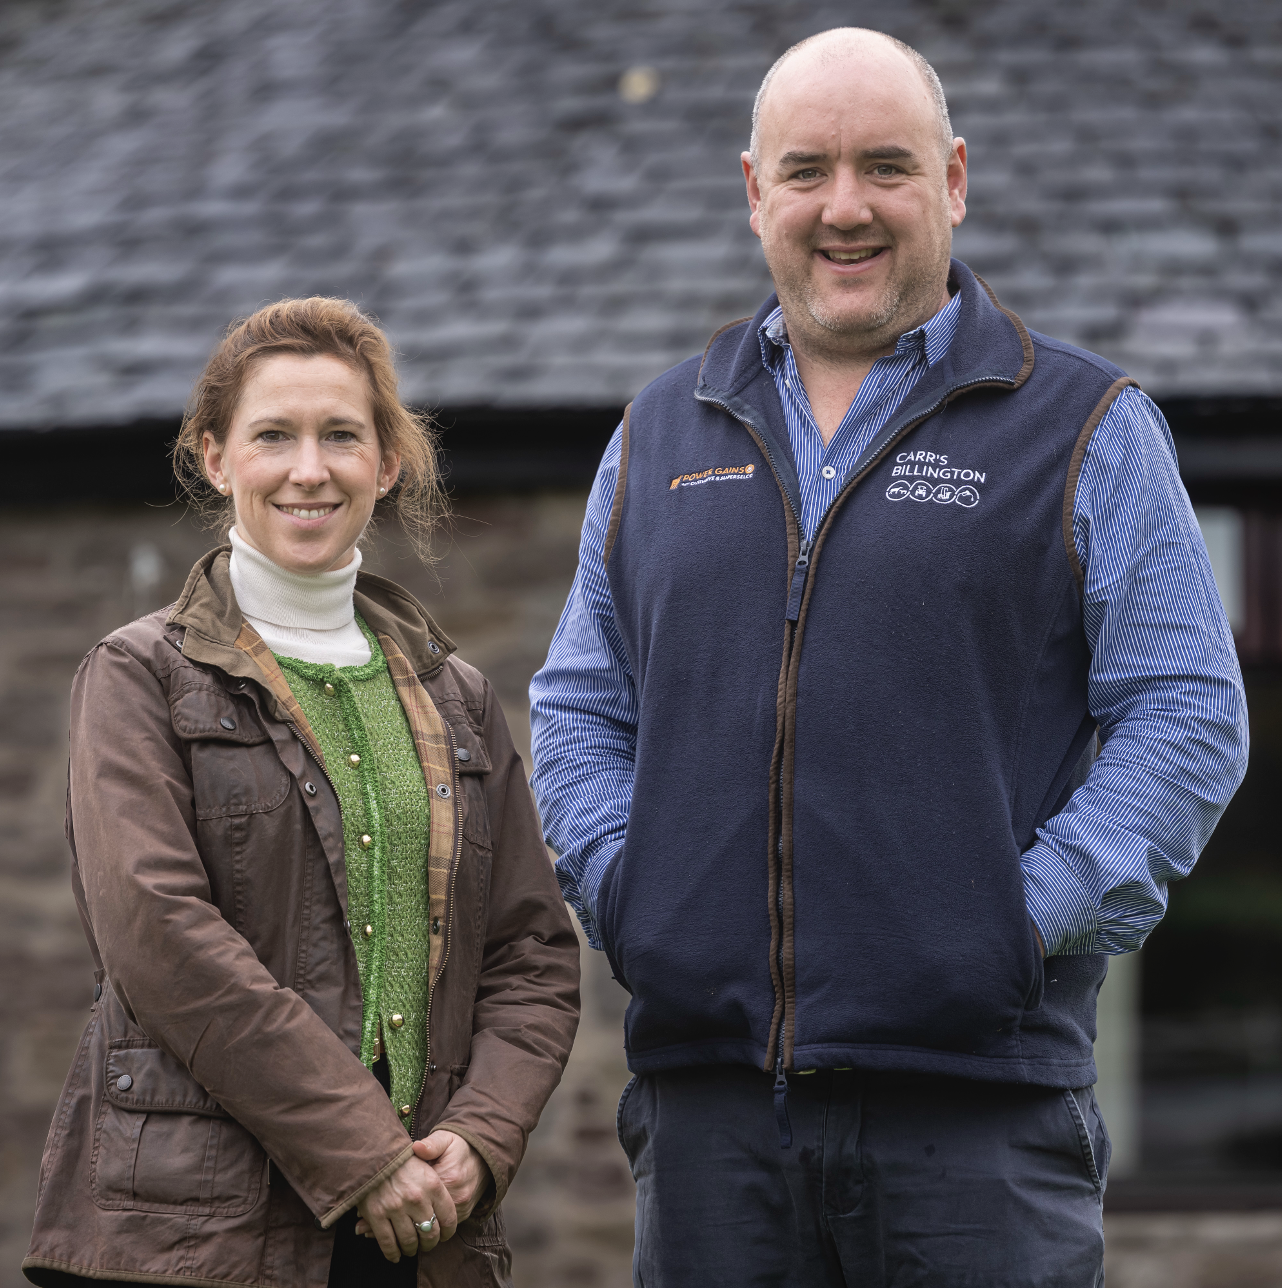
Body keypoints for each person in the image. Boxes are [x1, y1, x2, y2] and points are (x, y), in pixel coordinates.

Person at [530, 27, 1248, 1287]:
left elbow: (1186, 715)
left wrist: (1010, 926)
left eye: (887, 167)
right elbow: (581, 707)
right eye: (806, 170)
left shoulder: (1082, 426)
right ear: (754, 189)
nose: (844, 207)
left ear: (954, 180)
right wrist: (634, 897)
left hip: (975, 1119)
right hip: (710, 1123)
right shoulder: (654, 433)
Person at [24, 297, 580, 1288]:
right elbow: (161, 936)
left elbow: (530, 954)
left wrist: (481, 1139)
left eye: (342, 436)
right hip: (193, 1240)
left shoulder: (457, 699)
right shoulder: (138, 674)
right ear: (215, 458)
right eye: (273, 435)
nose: (310, 469)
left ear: (388, 463)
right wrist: (361, 1151)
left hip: (419, 1232)